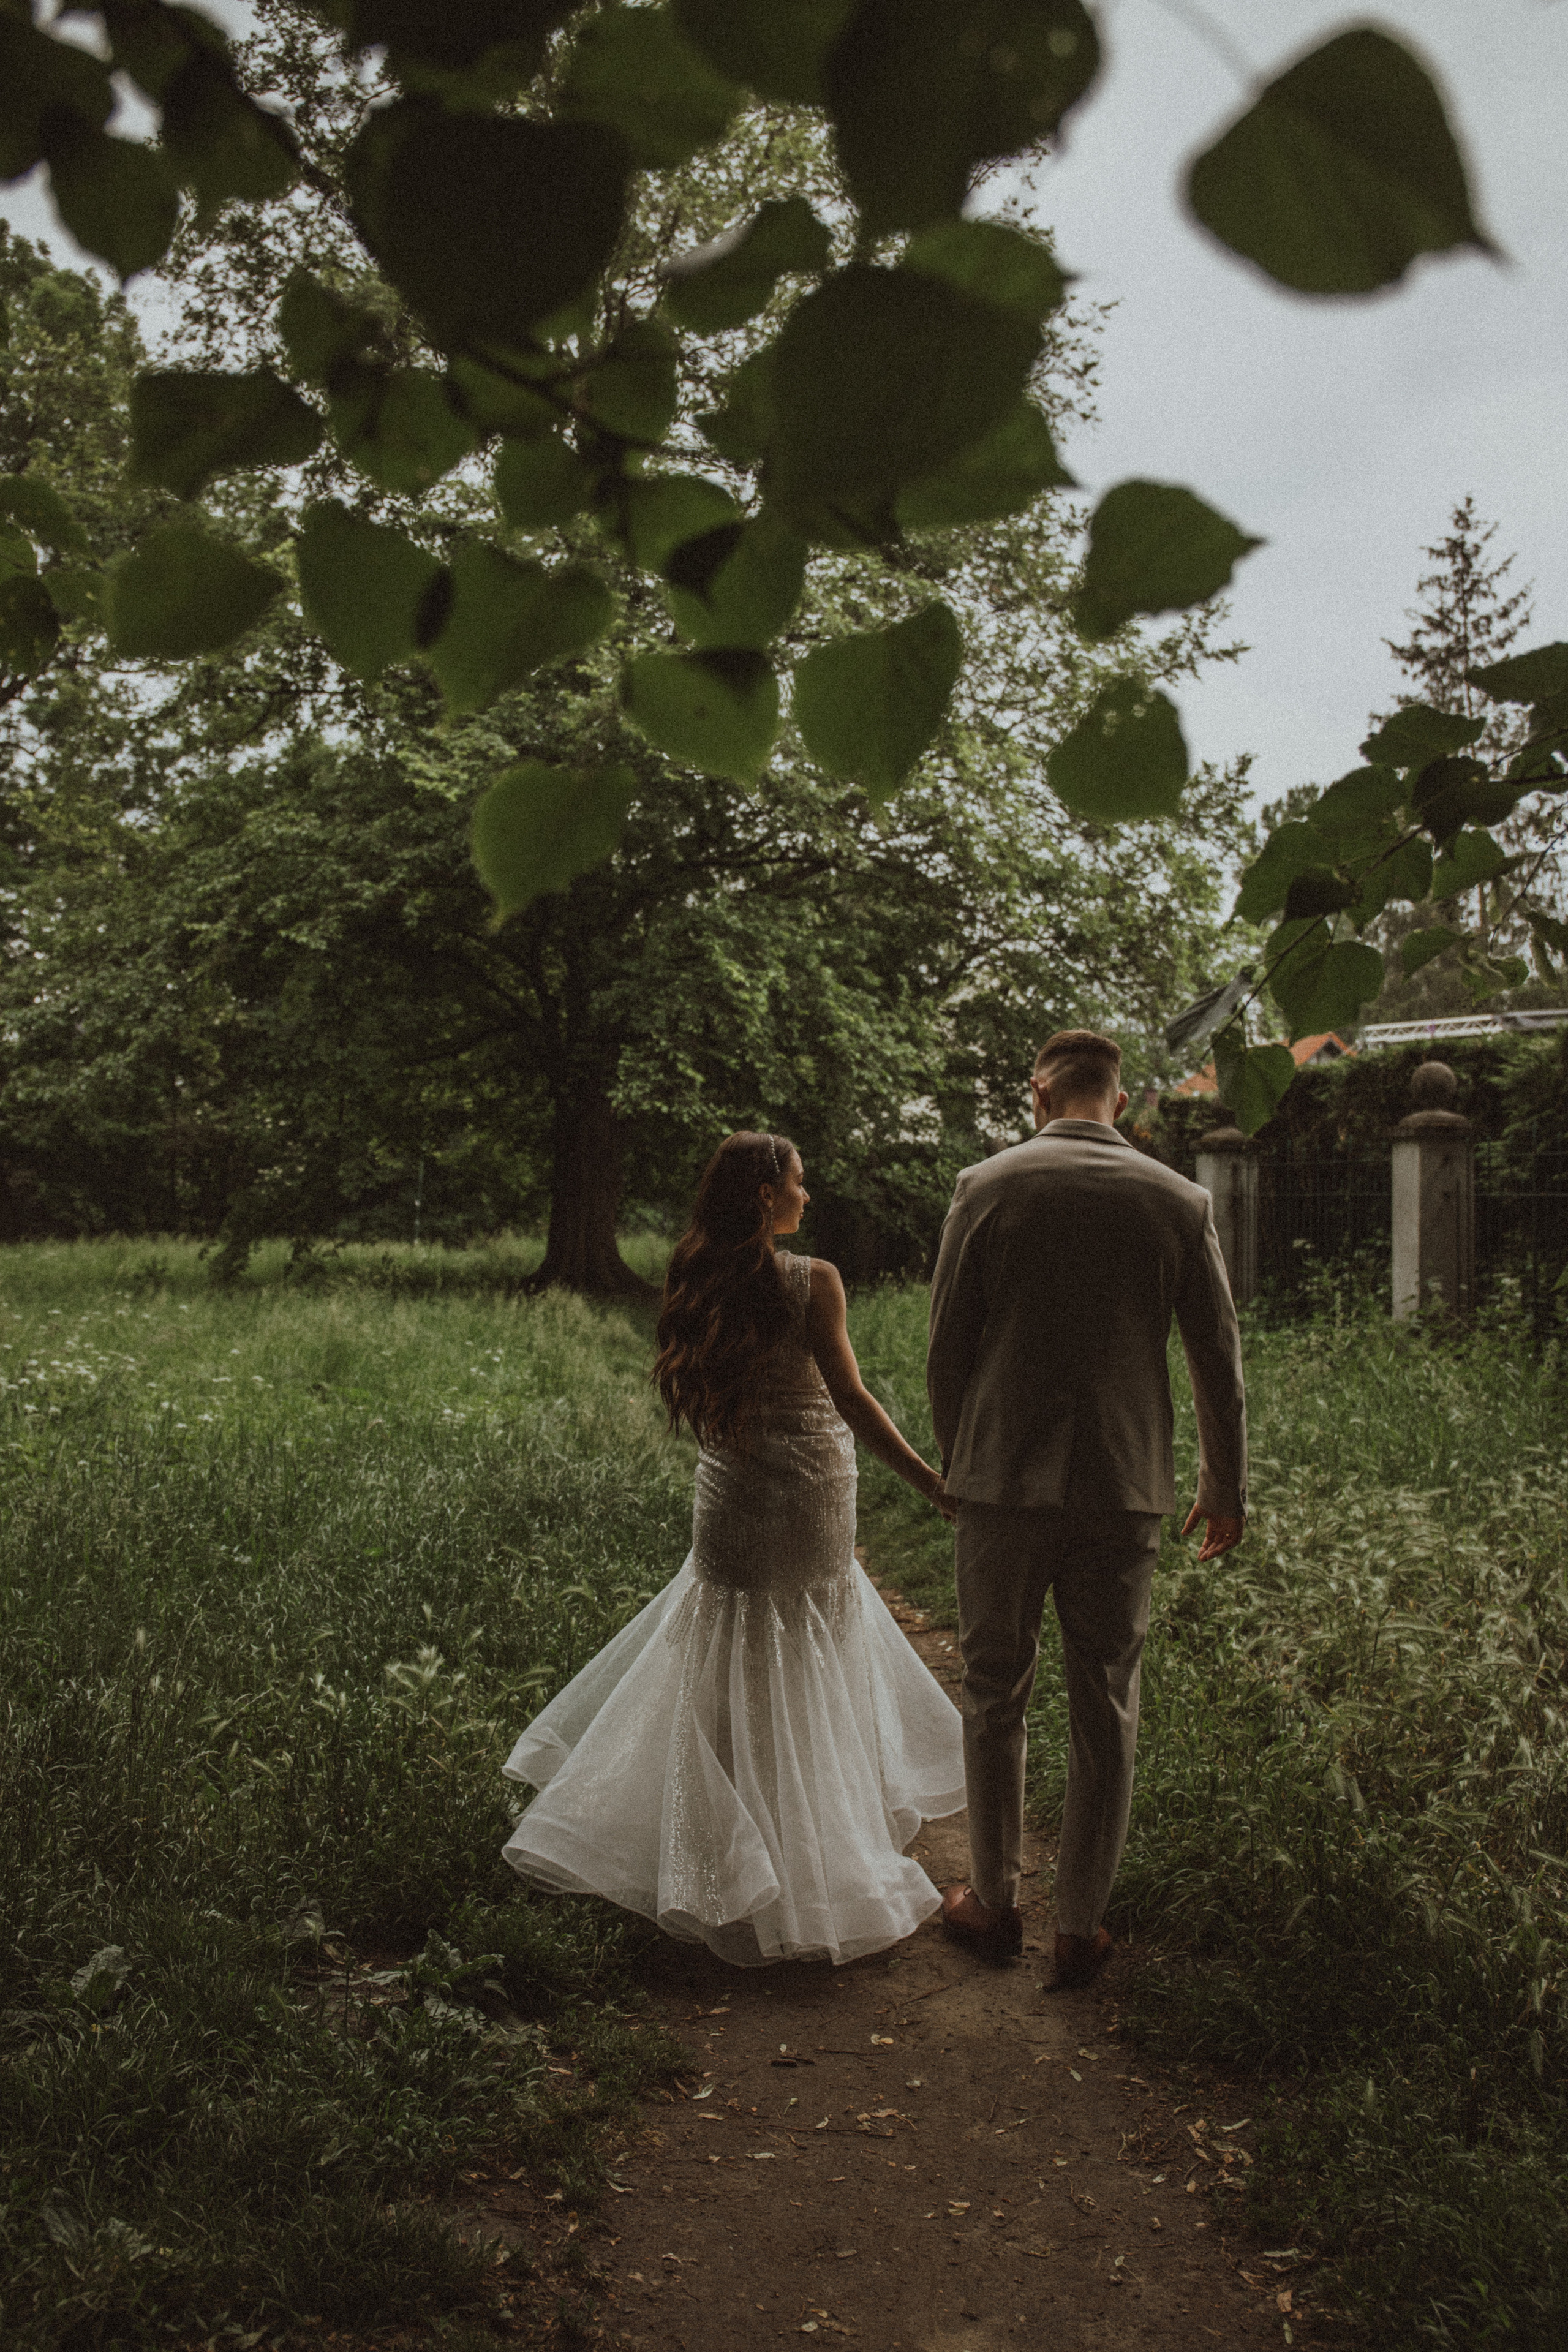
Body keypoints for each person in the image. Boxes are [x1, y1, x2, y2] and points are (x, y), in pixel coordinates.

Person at [501, 1131, 965, 1966]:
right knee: (808, 1650)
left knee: (730, 1651)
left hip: (730, 1493)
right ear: (765, 1194)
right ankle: (804, 1848)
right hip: (811, 1489)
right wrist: (932, 1485)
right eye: (798, 1182)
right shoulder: (812, 1279)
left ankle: (722, 1845)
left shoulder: (694, 1269)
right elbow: (852, 1400)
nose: (807, 1196)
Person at [927, 1030, 1247, 1980]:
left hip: (1001, 1482)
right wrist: (1222, 1486)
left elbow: (950, 1346)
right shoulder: (1178, 1201)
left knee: (995, 1690)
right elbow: (1218, 1363)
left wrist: (961, 1461)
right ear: (1119, 1100)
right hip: (1125, 1482)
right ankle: (1079, 1927)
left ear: (1039, 1093)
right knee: (1107, 1698)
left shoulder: (985, 1187)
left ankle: (990, 1903)